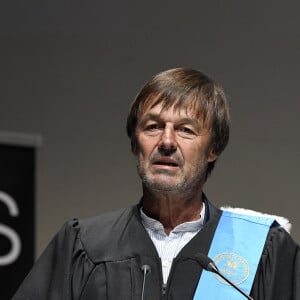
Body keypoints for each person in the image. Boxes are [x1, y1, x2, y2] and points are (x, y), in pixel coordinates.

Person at [13, 68, 300, 300]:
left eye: (186, 130)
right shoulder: (84, 245)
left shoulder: (262, 251)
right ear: (134, 144)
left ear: (213, 149)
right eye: (152, 126)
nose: (166, 141)